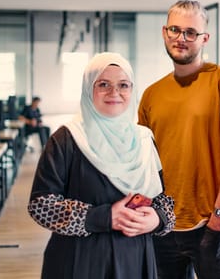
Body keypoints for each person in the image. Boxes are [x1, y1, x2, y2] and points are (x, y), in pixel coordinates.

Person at [28, 52, 175, 279]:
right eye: (103, 84)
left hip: (135, 261)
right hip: (80, 262)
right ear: (89, 89)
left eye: (123, 85)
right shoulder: (67, 139)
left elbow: (164, 198)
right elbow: (40, 205)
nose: (114, 92)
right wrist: (103, 217)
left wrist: (158, 219)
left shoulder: (144, 140)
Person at [138, 0, 220, 279]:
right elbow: (145, 163)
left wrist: (218, 220)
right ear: (164, 32)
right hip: (165, 225)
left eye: (190, 32)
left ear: (204, 38)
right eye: (175, 30)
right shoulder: (151, 94)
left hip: (214, 224)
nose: (181, 38)